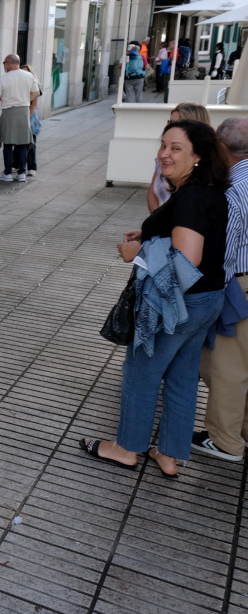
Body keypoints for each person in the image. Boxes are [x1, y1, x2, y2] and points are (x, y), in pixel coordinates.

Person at [81, 120, 229, 478]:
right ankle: (168, 454)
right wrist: (150, 230)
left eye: (176, 148)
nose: (164, 153)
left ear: (198, 156)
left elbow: (186, 259)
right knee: (181, 377)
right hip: (208, 300)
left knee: (141, 372)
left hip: (180, 305)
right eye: (163, 145)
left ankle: (127, 448)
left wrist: (138, 250)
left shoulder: (192, 197)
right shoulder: (205, 191)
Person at [192, 118, 248, 462]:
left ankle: (226, 441)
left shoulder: (234, 191)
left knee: (226, 365)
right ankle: (242, 432)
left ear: (223, 148)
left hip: (241, 284)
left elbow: (223, 252)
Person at [147, 102, 211, 213]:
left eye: (176, 123)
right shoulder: (163, 156)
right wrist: (155, 223)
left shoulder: (204, 177)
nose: (168, 127)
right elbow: (152, 192)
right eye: (169, 122)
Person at [0, 54, 39, 182]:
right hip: (24, 111)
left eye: (4, 63)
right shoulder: (29, 76)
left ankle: (8, 173)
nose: (4, 66)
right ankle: (21, 173)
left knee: (8, 144)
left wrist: (7, 98)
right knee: (23, 143)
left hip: (8, 112)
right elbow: (36, 93)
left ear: (9, 63)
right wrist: (24, 99)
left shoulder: (3, 78)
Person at [21, 64, 43, 177]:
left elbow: (34, 104)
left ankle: (32, 167)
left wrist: (27, 118)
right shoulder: (19, 84)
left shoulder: (35, 86)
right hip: (20, 114)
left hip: (30, 115)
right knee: (19, 143)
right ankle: (19, 165)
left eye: (27, 72)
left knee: (31, 142)